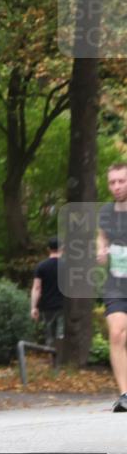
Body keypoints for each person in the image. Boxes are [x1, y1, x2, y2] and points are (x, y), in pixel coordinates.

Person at [96, 162, 127, 413]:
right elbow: (102, 235)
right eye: (112, 182)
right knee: (116, 333)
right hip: (116, 282)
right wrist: (101, 249)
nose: (116, 186)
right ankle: (125, 395)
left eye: (121, 181)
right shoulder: (106, 212)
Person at [31, 237, 65, 347]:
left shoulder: (41, 266)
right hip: (63, 305)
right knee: (61, 334)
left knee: (49, 334)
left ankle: (51, 359)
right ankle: (60, 358)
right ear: (62, 248)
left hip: (46, 305)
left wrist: (34, 307)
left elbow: (37, 288)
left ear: (48, 249)